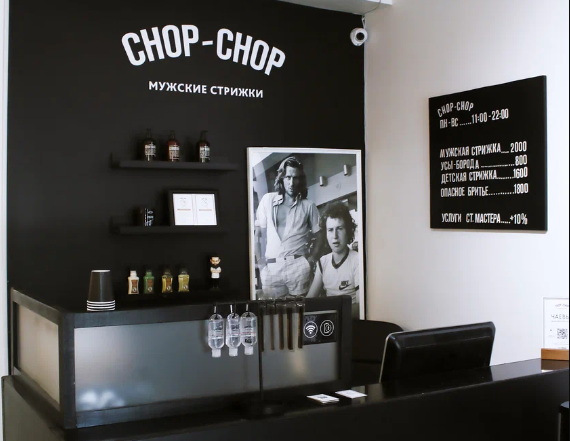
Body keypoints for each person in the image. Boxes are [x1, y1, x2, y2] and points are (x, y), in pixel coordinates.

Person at [255, 157, 324, 298]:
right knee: (271, 309)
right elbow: (258, 235)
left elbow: (321, 236)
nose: (291, 183)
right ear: (282, 178)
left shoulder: (308, 205)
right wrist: (261, 264)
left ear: (301, 180)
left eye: (295, 178)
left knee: (300, 309)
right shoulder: (267, 200)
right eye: (288, 177)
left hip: (298, 266)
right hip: (271, 267)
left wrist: (310, 262)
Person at [307, 202, 360, 318]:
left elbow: (360, 307)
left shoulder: (357, 260)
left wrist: (331, 314)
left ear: (348, 231)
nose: (335, 236)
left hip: (351, 323)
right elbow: (309, 300)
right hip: (330, 322)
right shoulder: (323, 262)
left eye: (339, 228)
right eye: (330, 230)